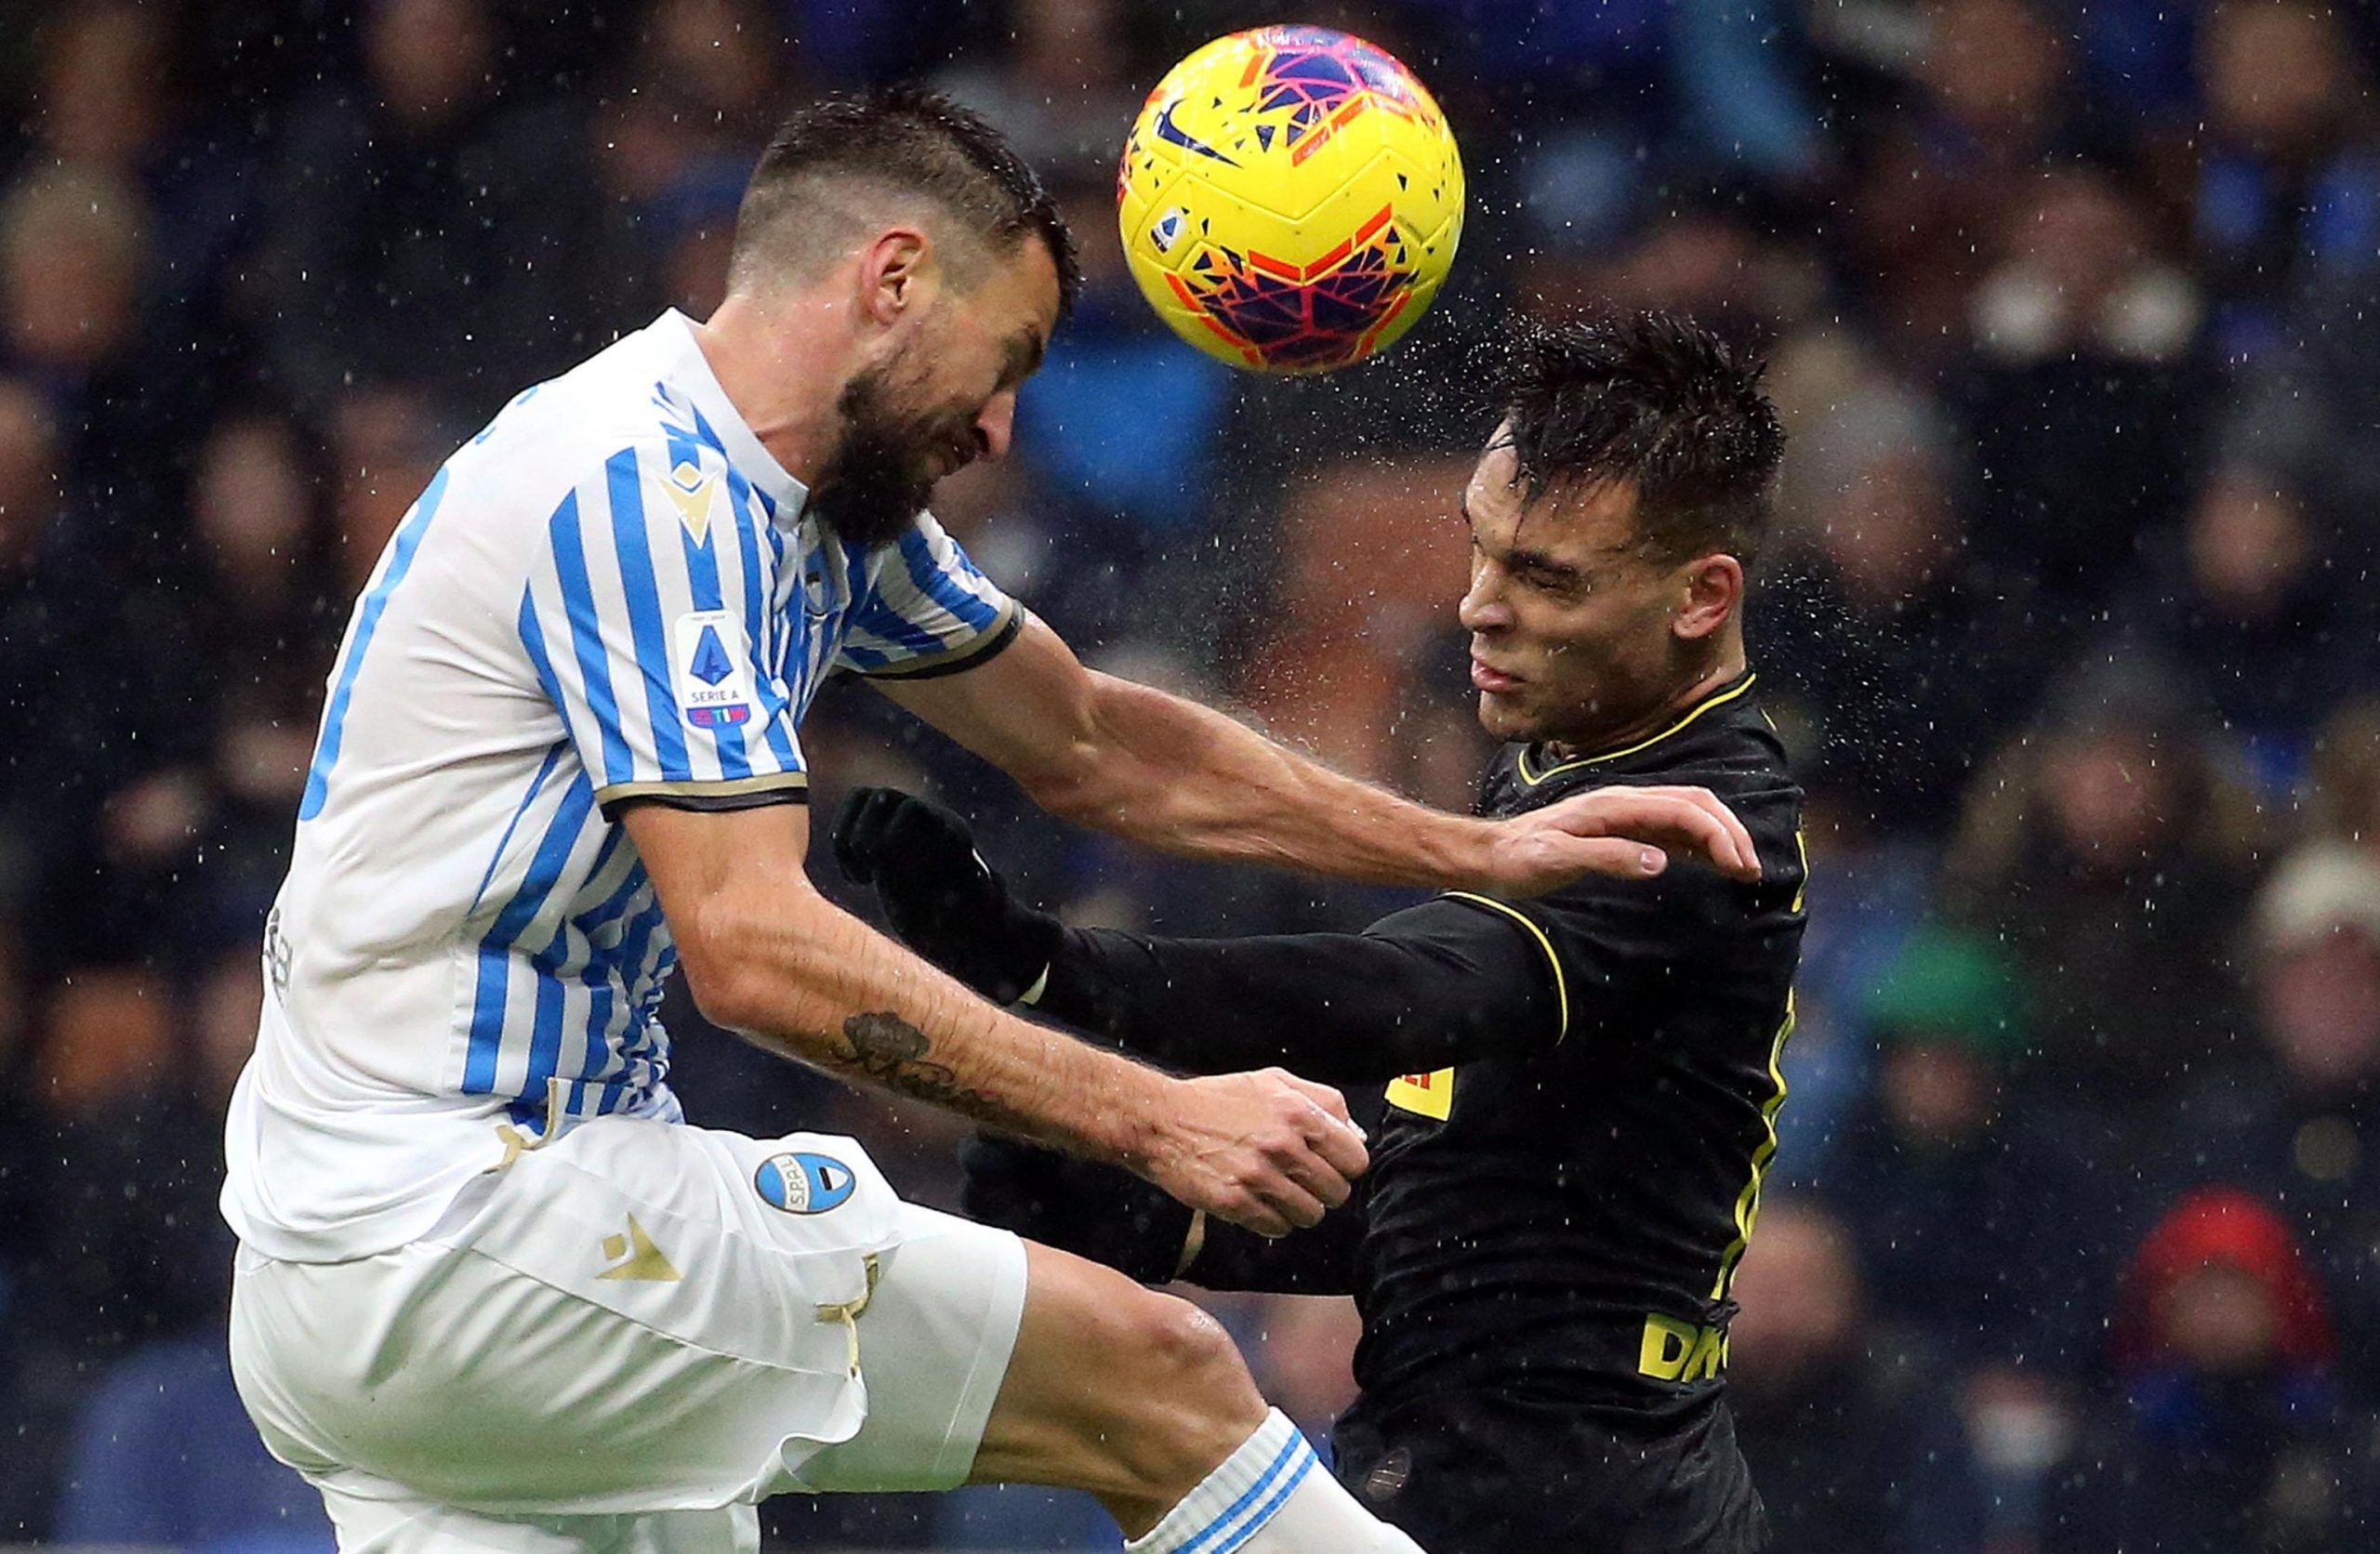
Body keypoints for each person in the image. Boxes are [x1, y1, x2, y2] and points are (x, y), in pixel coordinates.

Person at [220, 88, 1759, 1554]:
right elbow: (751, 949)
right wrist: (1158, 1116)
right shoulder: (643, 495)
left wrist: (1479, 848)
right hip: (468, 1219)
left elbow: (1095, 742)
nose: (1006, 428)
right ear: (894, 279)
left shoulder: (811, 506)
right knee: (1160, 1383)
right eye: (1005, 359)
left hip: (372, 1263)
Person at [838, 312, 1806, 1553]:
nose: (1477, 607)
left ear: (1702, 596)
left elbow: (1415, 990)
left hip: (1580, 1497)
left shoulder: (1698, 824)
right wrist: (1181, 1224)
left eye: (1546, 578)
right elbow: (1491, 1215)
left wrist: (1054, 969)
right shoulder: (1572, 756)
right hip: (1479, 1457)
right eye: (1482, 548)